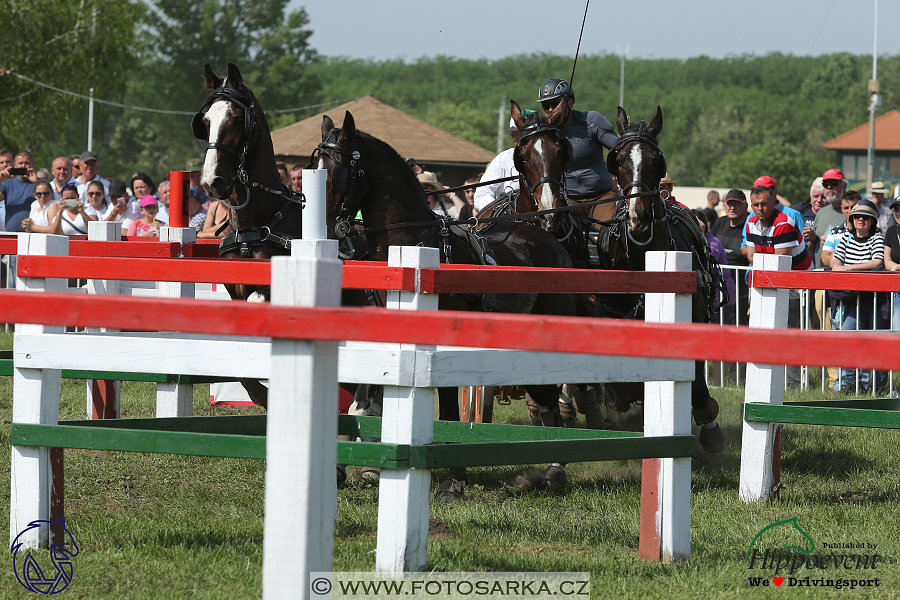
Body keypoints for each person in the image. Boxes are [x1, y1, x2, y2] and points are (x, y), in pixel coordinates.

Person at [742, 185, 812, 389]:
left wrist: (760, 258)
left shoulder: (785, 223)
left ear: (774, 203)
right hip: (770, 279)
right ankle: (764, 380)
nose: (760, 208)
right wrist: (761, 259)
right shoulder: (751, 223)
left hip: (797, 283)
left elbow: (782, 258)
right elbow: (749, 255)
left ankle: (793, 383)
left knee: (792, 333)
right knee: (763, 330)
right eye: (755, 204)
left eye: (764, 203)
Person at [537, 78, 619, 227]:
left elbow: (621, 150)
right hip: (567, 202)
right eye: (545, 105)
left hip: (602, 198)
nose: (550, 109)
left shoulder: (592, 120)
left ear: (570, 103)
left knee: (612, 233)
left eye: (555, 104)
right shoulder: (545, 133)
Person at [830, 200, 887, 393]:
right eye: (857, 216)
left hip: (874, 301)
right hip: (852, 299)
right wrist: (839, 266)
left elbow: (877, 261)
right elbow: (834, 259)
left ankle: (871, 385)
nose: (860, 220)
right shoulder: (846, 238)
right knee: (847, 339)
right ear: (852, 219)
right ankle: (847, 382)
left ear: (872, 220)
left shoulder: (877, 239)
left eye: (865, 217)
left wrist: (849, 268)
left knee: (874, 342)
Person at [710, 189, 752, 325]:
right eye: (729, 204)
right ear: (724, 206)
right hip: (718, 286)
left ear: (746, 206)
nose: (732, 207)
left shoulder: (751, 225)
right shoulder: (720, 223)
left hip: (742, 288)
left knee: (739, 323)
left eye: (737, 204)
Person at [473, 118, 521, 212]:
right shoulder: (504, 159)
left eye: (524, 134)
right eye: (515, 134)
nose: (519, 139)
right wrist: (501, 212)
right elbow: (481, 194)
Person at [812, 168, 848, 268]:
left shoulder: (853, 213)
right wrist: (811, 239)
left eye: (834, 183)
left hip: (843, 274)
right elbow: (814, 249)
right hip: (820, 274)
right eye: (825, 184)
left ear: (844, 185)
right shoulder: (821, 212)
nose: (829, 187)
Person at [0, 150, 38, 232]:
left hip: (33, 235)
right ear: (15, 165)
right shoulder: (7, 183)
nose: (23, 166)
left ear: (33, 164)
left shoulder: (41, 183)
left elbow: (49, 201)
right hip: (11, 234)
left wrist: (36, 182)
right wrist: (0, 179)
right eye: (20, 163)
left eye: (27, 163)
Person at [882, 197, 900, 329]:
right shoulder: (891, 231)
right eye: (896, 210)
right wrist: (896, 267)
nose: (898, 213)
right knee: (896, 327)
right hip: (897, 290)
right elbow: (886, 261)